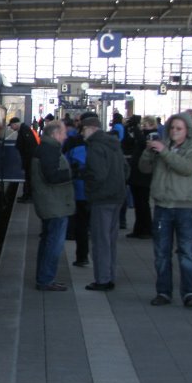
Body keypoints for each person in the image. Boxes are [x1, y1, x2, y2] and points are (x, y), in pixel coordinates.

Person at [139, 113, 192, 306]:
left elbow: (186, 168)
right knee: (161, 253)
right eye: (172, 128)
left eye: (179, 128)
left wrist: (164, 152)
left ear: (187, 131)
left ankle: (189, 292)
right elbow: (143, 168)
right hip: (162, 205)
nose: (174, 131)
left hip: (185, 207)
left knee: (186, 252)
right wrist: (149, 152)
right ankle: (164, 292)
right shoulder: (162, 146)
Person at [80, 114, 128, 291]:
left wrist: (89, 188)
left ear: (91, 129)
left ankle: (102, 280)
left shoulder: (95, 146)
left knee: (100, 241)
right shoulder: (114, 144)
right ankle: (110, 276)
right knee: (110, 240)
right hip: (117, 197)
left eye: (83, 129)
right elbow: (125, 169)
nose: (82, 133)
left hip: (102, 199)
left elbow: (97, 175)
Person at [32, 120, 75, 291]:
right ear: (55, 134)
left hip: (51, 202)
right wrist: (74, 173)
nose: (65, 137)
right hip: (54, 204)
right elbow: (52, 176)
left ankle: (44, 278)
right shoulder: (49, 150)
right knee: (53, 244)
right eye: (63, 133)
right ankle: (45, 279)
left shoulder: (46, 148)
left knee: (48, 241)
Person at [63, 113, 91, 267]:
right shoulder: (106, 142)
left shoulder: (73, 142)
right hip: (98, 192)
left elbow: (65, 163)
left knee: (80, 223)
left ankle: (82, 257)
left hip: (79, 190)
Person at [125, 116, 156, 239]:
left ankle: (146, 229)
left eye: (146, 124)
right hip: (137, 175)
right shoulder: (142, 136)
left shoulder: (153, 136)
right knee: (139, 203)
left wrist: (136, 129)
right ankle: (139, 229)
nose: (144, 127)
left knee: (143, 203)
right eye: (143, 124)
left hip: (144, 176)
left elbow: (144, 144)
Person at [15, 116, 40, 202]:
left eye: (11, 125)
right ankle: (27, 196)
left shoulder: (24, 130)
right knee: (28, 177)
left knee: (29, 177)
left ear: (15, 124)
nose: (11, 127)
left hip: (30, 159)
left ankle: (28, 196)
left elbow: (28, 146)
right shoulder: (23, 130)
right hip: (29, 159)